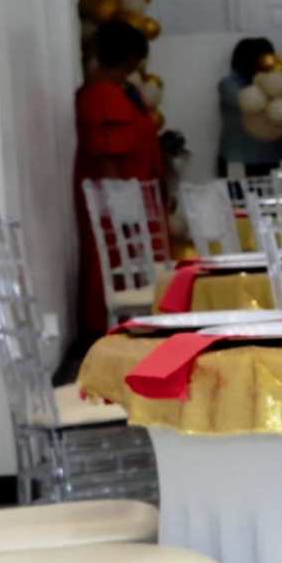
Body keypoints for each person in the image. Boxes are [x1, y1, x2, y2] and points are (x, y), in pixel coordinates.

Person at [69, 21, 170, 348]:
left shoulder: (123, 91)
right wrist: (122, 201)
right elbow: (107, 152)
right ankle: (106, 327)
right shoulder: (100, 95)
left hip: (136, 188)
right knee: (109, 260)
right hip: (116, 194)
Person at [217, 36, 282, 173]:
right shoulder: (229, 84)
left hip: (272, 157)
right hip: (238, 159)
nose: (269, 63)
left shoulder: (276, 82)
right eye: (264, 59)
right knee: (238, 195)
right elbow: (251, 103)